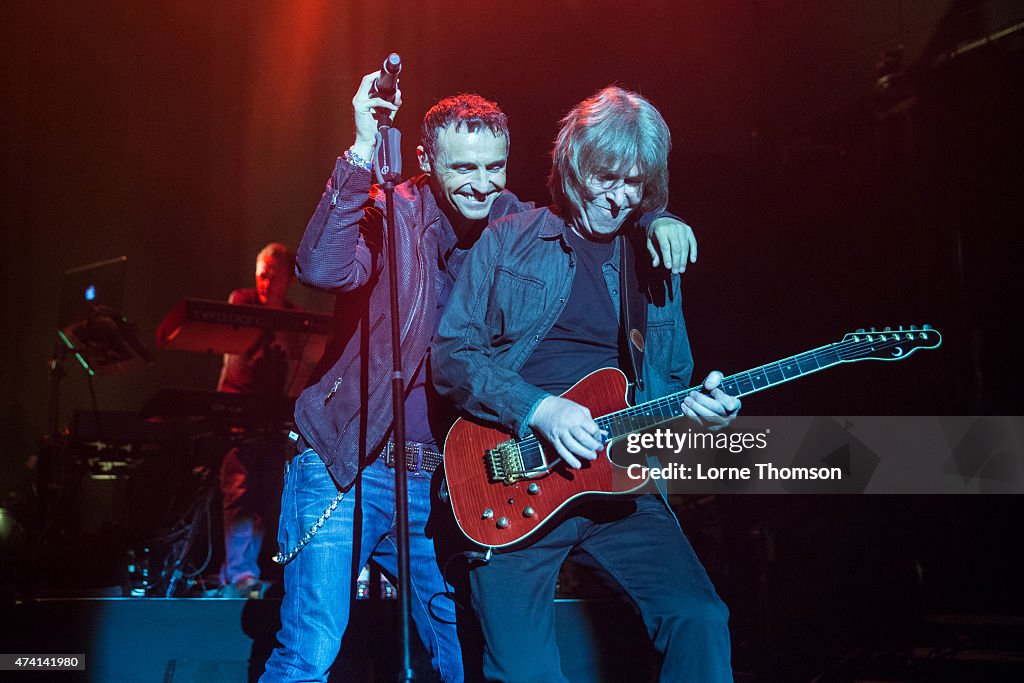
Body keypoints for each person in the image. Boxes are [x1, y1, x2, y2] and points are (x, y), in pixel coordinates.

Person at [260, 69, 698, 682]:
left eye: (495, 167)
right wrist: (362, 150)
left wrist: (654, 219)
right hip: (346, 465)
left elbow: (589, 214)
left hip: (444, 477)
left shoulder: (512, 226)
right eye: (463, 168)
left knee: (462, 654)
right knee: (311, 648)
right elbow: (321, 269)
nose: (483, 184)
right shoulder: (389, 212)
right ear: (425, 159)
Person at [431, 86, 739, 682]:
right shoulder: (511, 239)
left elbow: (667, 386)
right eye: (606, 177)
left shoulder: (654, 261)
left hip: (616, 481)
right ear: (575, 166)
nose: (619, 197)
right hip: (513, 473)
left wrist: (696, 411)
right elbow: (452, 355)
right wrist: (539, 410)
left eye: (634, 184)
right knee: (524, 673)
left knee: (699, 616)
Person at [217, 242, 298, 598]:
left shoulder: (295, 316)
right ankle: (238, 573)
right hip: (239, 411)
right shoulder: (243, 301)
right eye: (261, 275)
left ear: (288, 281)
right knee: (239, 490)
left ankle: (240, 574)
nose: (265, 283)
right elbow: (240, 359)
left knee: (266, 492)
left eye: (273, 278)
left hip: (274, 416)